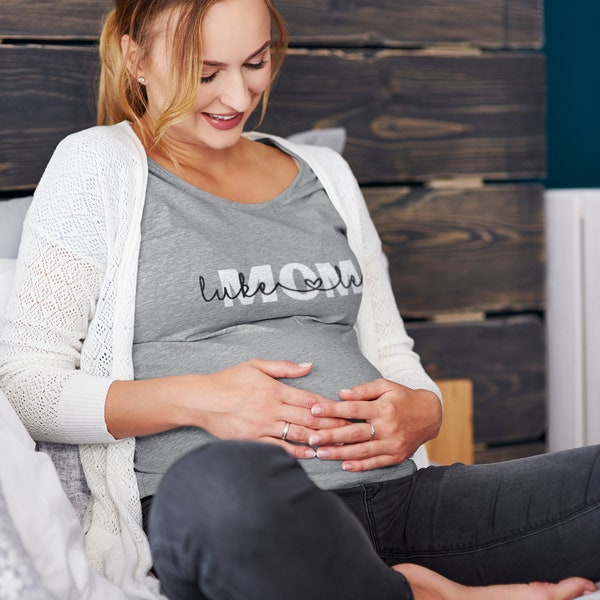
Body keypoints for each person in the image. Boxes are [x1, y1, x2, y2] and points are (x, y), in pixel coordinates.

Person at [0, 0, 598, 598]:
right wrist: (201, 400)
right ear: (136, 59)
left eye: (255, 63)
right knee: (220, 484)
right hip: (236, 516)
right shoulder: (96, 167)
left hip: (397, 499)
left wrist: (425, 410)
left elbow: (391, 350)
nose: (237, 95)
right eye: (205, 73)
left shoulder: (326, 174)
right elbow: (26, 387)